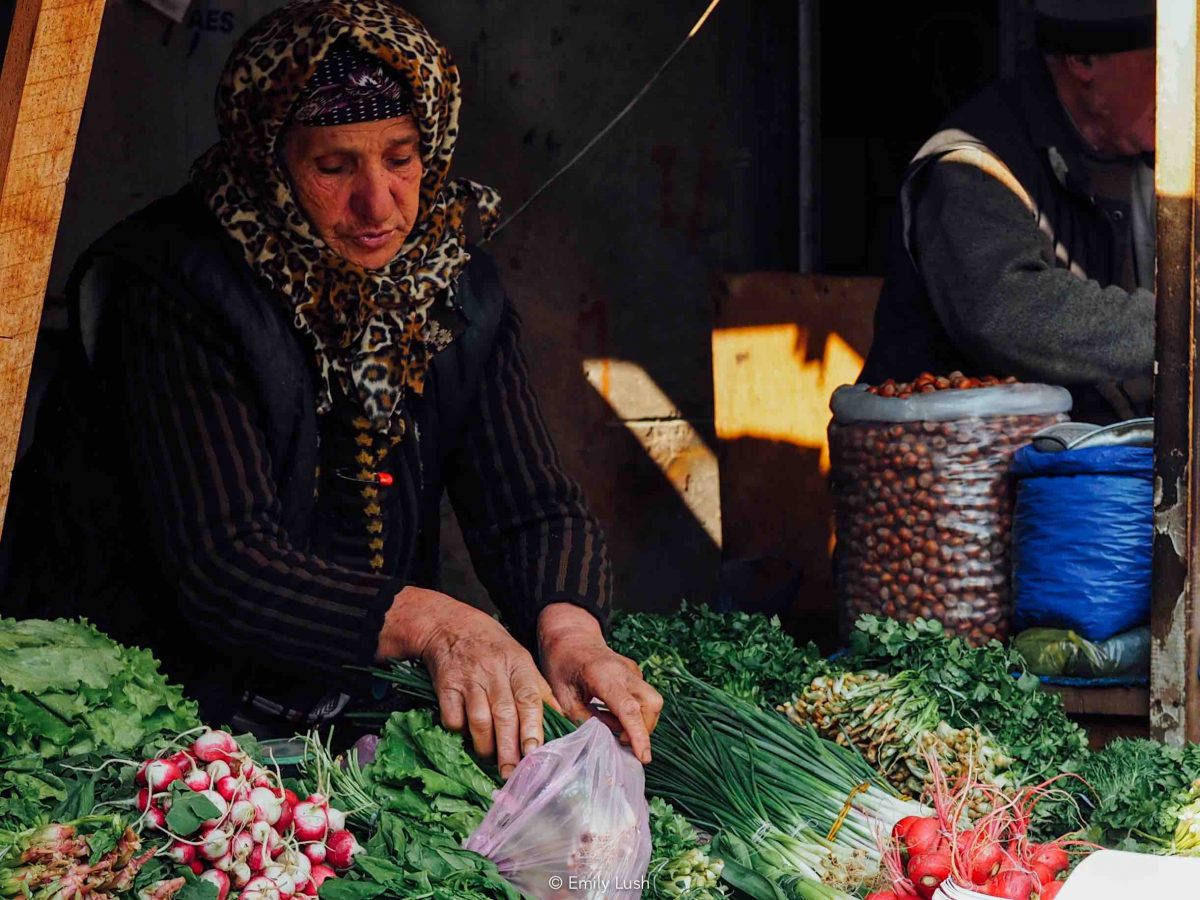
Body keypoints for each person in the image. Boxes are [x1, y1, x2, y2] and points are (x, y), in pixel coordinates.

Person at [0, 0, 661, 777]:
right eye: (333, 165)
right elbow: (226, 562)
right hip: (148, 721)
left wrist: (572, 635)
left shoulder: (447, 285)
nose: (379, 204)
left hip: (336, 712)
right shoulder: (178, 286)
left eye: (402, 156)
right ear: (269, 161)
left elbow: (529, 507)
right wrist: (435, 622)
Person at [860, 0, 1156, 424]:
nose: (1182, 85)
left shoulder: (1151, 160)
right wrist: (1176, 325)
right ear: (1084, 60)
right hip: (949, 468)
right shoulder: (971, 166)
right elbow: (1007, 312)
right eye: (1162, 60)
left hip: (1078, 469)